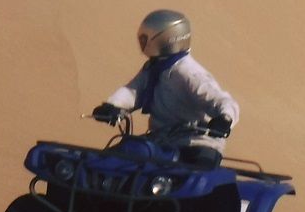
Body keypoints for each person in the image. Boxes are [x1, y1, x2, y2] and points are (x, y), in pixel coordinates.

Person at [92, 9, 239, 165]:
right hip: (162, 140)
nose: (142, 42)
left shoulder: (188, 73)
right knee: (119, 155)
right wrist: (112, 106)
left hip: (195, 143)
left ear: (166, 39)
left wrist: (225, 118)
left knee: (189, 179)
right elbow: (133, 91)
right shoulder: (154, 68)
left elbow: (221, 100)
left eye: (145, 38)